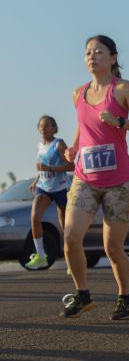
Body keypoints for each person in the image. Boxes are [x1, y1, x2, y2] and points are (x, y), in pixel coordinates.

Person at [61, 35, 129, 320]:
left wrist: (120, 121)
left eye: (99, 51)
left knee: (112, 248)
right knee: (70, 238)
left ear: (112, 58)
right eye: (88, 52)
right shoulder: (79, 93)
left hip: (119, 180)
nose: (92, 56)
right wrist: (75, 147)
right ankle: (83, 294)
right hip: (85, 177)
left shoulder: (123, 89)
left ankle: (124, 295)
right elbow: (82, 125)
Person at [26, 115, 74, 270]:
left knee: (66, 226)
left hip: (60, 188)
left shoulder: (59, 144)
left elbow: (71, 166)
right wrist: (36, 180)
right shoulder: (40, 146)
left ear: (54, 128)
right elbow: (42, 167)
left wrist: (51, 169)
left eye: (47, 125)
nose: (43, 128)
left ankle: (71, 260)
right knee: (35, 217)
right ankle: (41, 255)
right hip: (44, 187)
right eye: (41, 126)